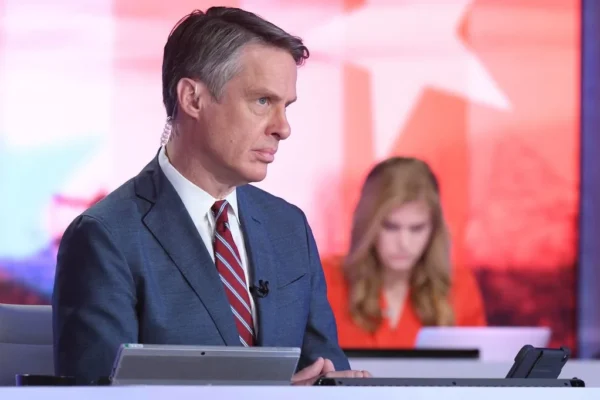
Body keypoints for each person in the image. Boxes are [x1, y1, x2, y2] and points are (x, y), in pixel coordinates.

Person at [53, 7, 369, 384]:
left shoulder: (289, 228)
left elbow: (330, 374)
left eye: (286, 107)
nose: (283, 128)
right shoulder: (106, 237)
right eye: (263, 101)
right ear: (193, 99)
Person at [323, 157, 486, 348]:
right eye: (391, 227)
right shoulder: (325, 280)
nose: (404, 243)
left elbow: (479, 363)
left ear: (434, 230)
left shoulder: (459, 287)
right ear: (368, 225)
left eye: (417, 228)